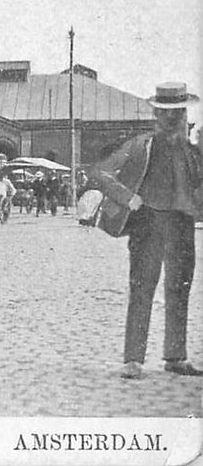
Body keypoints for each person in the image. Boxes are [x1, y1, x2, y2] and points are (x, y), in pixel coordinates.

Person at [88, 82, 203, 380]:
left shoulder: (192, 152)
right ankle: (133, 359)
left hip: (182, 224)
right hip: (148, 223)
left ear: (184, 114)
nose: (172, 119)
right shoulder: (140, 146)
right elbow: (98, 172)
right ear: (155, 114)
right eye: (165, 113)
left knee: (180, 288)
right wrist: (127, 197)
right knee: (142, 288)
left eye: (177, 113)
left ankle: (175, 357)